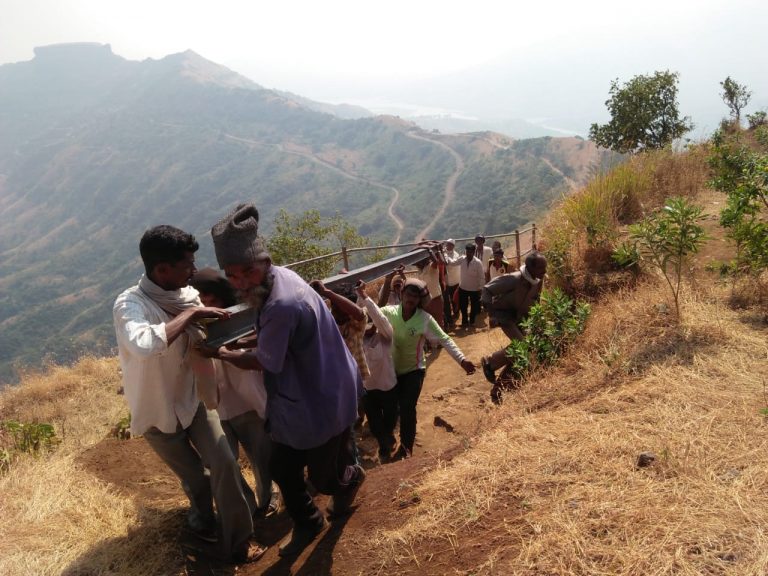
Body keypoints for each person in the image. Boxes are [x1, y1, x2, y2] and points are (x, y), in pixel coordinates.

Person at [206, 203, 365, 558]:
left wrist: (222, 354)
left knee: (325, 477)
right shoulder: (282, 277)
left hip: (320, 400)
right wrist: (247, 341)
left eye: (247, 271)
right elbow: (278, 338)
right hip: (323, 388)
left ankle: (352, 478)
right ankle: (310, 521)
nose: (241, 282)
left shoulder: (280, 304)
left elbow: (266, 360)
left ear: (264, 261)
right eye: (232, 276)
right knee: (281, 466)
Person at [113, 226, 264, 564]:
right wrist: (192, 314)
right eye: (187, 265)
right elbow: (144, 344)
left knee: (224, 461)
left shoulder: (187, 295)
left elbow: (202, 340)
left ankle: (240, 541)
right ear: (161, 269)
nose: (194, 271)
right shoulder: (129, 304)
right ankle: (202, 520)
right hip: (156, 409)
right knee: (197, 479)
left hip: (193, 398)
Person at [190, 269, 277, 521]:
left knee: (261, 457)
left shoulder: (243, 318)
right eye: (201, 303)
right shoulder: (194, 326)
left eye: (211, 301)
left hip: (247, 400)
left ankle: (268, 498)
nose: (207, 308)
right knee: (226, 463)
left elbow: (258, 343)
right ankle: (246, 506)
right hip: (215, 405)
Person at [380, 278, 476, 459]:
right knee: (390, 408)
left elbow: (444, 339)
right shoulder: (389, 312)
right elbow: (370, 314)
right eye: (408, 294)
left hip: (413, 370)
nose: (411, 299)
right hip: (391, 370)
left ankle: (406, 448)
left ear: (419, 301)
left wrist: (462, 360)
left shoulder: (424, 319)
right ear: (401, 294)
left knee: (408, 407)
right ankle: (388, 440)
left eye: (415, 297)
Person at [480, 252, 548, 396]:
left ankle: (497, 374)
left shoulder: (538, 280)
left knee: (528, 346)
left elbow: (537, 299)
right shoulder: (514, 279)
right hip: (505, 316)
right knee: (522, 346)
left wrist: (536, 319)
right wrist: (491, 315)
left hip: (522, 317)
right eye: (541, 268)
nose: (545, 271)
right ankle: (491, 362)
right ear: (529, 267)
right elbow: (487, 290)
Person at [355, 280, 398, 462]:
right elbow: (355, 315)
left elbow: (379, 318)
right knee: (374, 422)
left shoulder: (385, 336)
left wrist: (365, 297)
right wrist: (358, 296)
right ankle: (384, 447)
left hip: (388, 386)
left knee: (389, 419)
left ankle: (388, 439)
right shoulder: (356, 340)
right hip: (368, 389)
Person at [447, 243, 485, 328]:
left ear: (473, 252)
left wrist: (480, 289)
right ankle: (464, 321)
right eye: (467, 251)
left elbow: (482, 277)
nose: (468, 254)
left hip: (475, 289)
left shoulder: (478, 263)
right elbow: (453, 263)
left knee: (474, 307)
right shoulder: (462, 259)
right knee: (463, 306)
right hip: (463, 287)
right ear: (465, 251)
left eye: (470, 252)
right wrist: (445, 256)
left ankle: (472, 322)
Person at [441, 239, 461, 329]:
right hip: (446, 281)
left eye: (450, 245)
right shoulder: (442, 253)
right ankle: (449, 318)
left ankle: (456, 313)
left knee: (455, 299)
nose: (448, 246)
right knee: (446, 302)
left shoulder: (456, 255)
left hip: (455, 280)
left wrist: (444, 254)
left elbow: (450, 263)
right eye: (447, 244)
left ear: (453, 246)